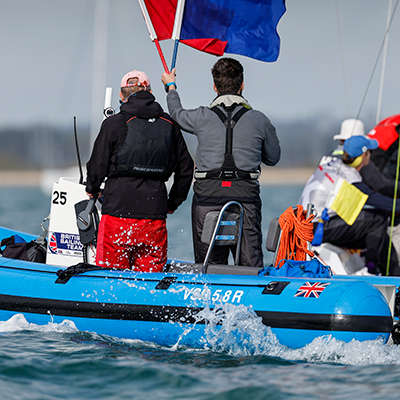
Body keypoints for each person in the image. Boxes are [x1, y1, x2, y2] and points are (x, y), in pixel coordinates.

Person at [161, 58, 280, 269]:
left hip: (208, 198)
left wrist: (171, 87)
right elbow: (273, 158)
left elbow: (176, 114)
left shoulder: (200, 116)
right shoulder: (260, 120)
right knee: (249, 266)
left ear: (215, 86)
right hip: (246, 199)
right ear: (242, 85)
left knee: (210, 265)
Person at [85, 70, 194, 272]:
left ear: (121, 95)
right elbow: (186, 168)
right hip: (154, 217)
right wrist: (172, 203)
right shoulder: (170, 124)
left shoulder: (113, 123)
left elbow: (97, 164)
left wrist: (92, 188)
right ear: (150, 91)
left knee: (110, 280)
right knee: (149, 282)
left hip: (117, 216)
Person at [299, 135, 400, 275]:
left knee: (378, 234)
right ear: (364, 155)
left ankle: (394, 275)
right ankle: (371, 269)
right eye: (370, 151)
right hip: (316, 229)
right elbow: (372, 198)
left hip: (307, 224)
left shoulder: (332, 164)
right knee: (378, 218)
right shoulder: (349, 175)